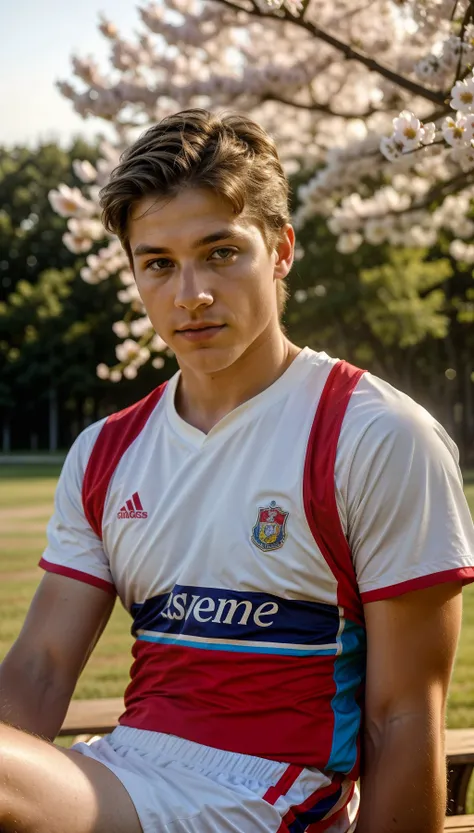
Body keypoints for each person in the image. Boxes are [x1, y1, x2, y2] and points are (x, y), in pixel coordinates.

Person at [0, 109, 473, 833]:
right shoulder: (105, 451)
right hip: (124, 767)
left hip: (268, 795)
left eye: (220, 252)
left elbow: (403, 716)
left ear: (281, 250)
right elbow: (38, 670)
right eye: (158, 262)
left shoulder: (376, 435)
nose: (190, 293)